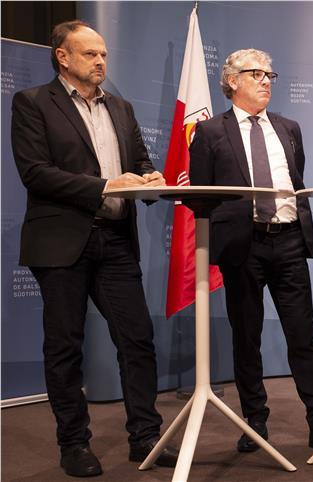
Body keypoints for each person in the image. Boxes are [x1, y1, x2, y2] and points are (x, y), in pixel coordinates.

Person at [10, 20, 177, 477]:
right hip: (62, 241)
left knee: (137, 340)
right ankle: (74, 443)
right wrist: (106, 184)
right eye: (90, 54)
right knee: (65, 346)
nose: (101, 61)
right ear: (63, 57)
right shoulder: (31, 103)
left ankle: (145, 437)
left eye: (103, 53)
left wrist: (149, 178)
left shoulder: (120, 108)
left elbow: (139, 162)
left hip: (117, 240)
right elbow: (36, 173)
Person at [188, 48, 313, 457]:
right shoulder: (210, 132)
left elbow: (294, 178)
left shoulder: (289, 127)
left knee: (303, 337)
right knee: (248, 337)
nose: (266, 81)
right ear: (232, 81)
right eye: (255, 74)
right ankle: (254, 422)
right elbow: (199, 196)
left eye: (270, 74)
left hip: (290, 241)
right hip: (243, 246)